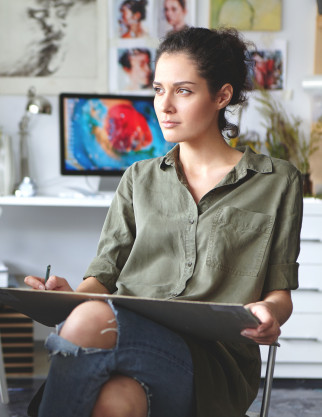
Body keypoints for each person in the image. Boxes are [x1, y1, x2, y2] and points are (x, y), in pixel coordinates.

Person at [25, 26, 303, 417]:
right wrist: (66, 297)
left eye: (183, 91)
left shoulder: (276, 181)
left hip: (211, 361)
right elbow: (103, 277)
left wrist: (269, 313)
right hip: (129, 333)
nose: (164, 106)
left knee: (91, 318)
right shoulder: (138, 178)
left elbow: (280, 293)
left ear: (221, 95)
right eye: (158, 89)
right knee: (115, 402)